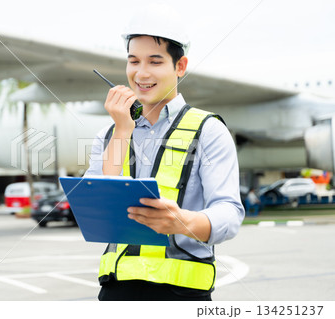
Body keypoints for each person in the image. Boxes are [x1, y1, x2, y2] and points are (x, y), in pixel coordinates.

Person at [85, 3, 245, 301]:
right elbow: (96, 208)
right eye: (133, 61)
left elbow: (230, 212)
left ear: (180, 67)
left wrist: (183, 221)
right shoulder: (109, 134)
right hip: (116, 294)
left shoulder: (208, 130)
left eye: (155, 62)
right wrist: (122, 130)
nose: (141, 73)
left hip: (183, 294)